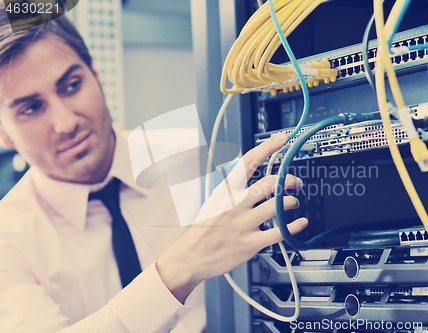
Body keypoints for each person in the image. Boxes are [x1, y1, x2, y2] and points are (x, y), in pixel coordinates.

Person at [0, 3, 308, 333]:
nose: (65, 123)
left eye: (72, 85)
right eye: (31, 108)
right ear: (3, 133)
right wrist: (181, 267)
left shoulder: (190, 153)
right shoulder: (8, 237)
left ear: (96, 75)